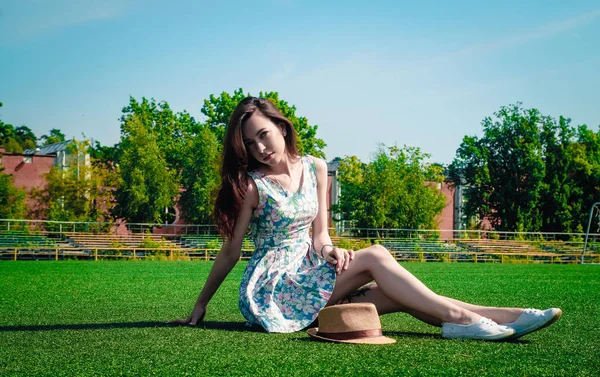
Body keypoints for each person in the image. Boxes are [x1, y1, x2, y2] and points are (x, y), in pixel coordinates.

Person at [171, 97, 562, 340]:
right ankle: (468, 318)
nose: (259, 148)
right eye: (250, 144)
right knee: (375, 255)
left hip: (311, 269)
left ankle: (507, 319)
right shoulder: (253, 185)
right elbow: (231, 251)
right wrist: (201, 304)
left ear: (281, 127)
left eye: (263, 135)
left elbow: (321, 234)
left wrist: (331, 251)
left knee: (395, 294)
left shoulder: (315, 167)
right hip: (275, 286)